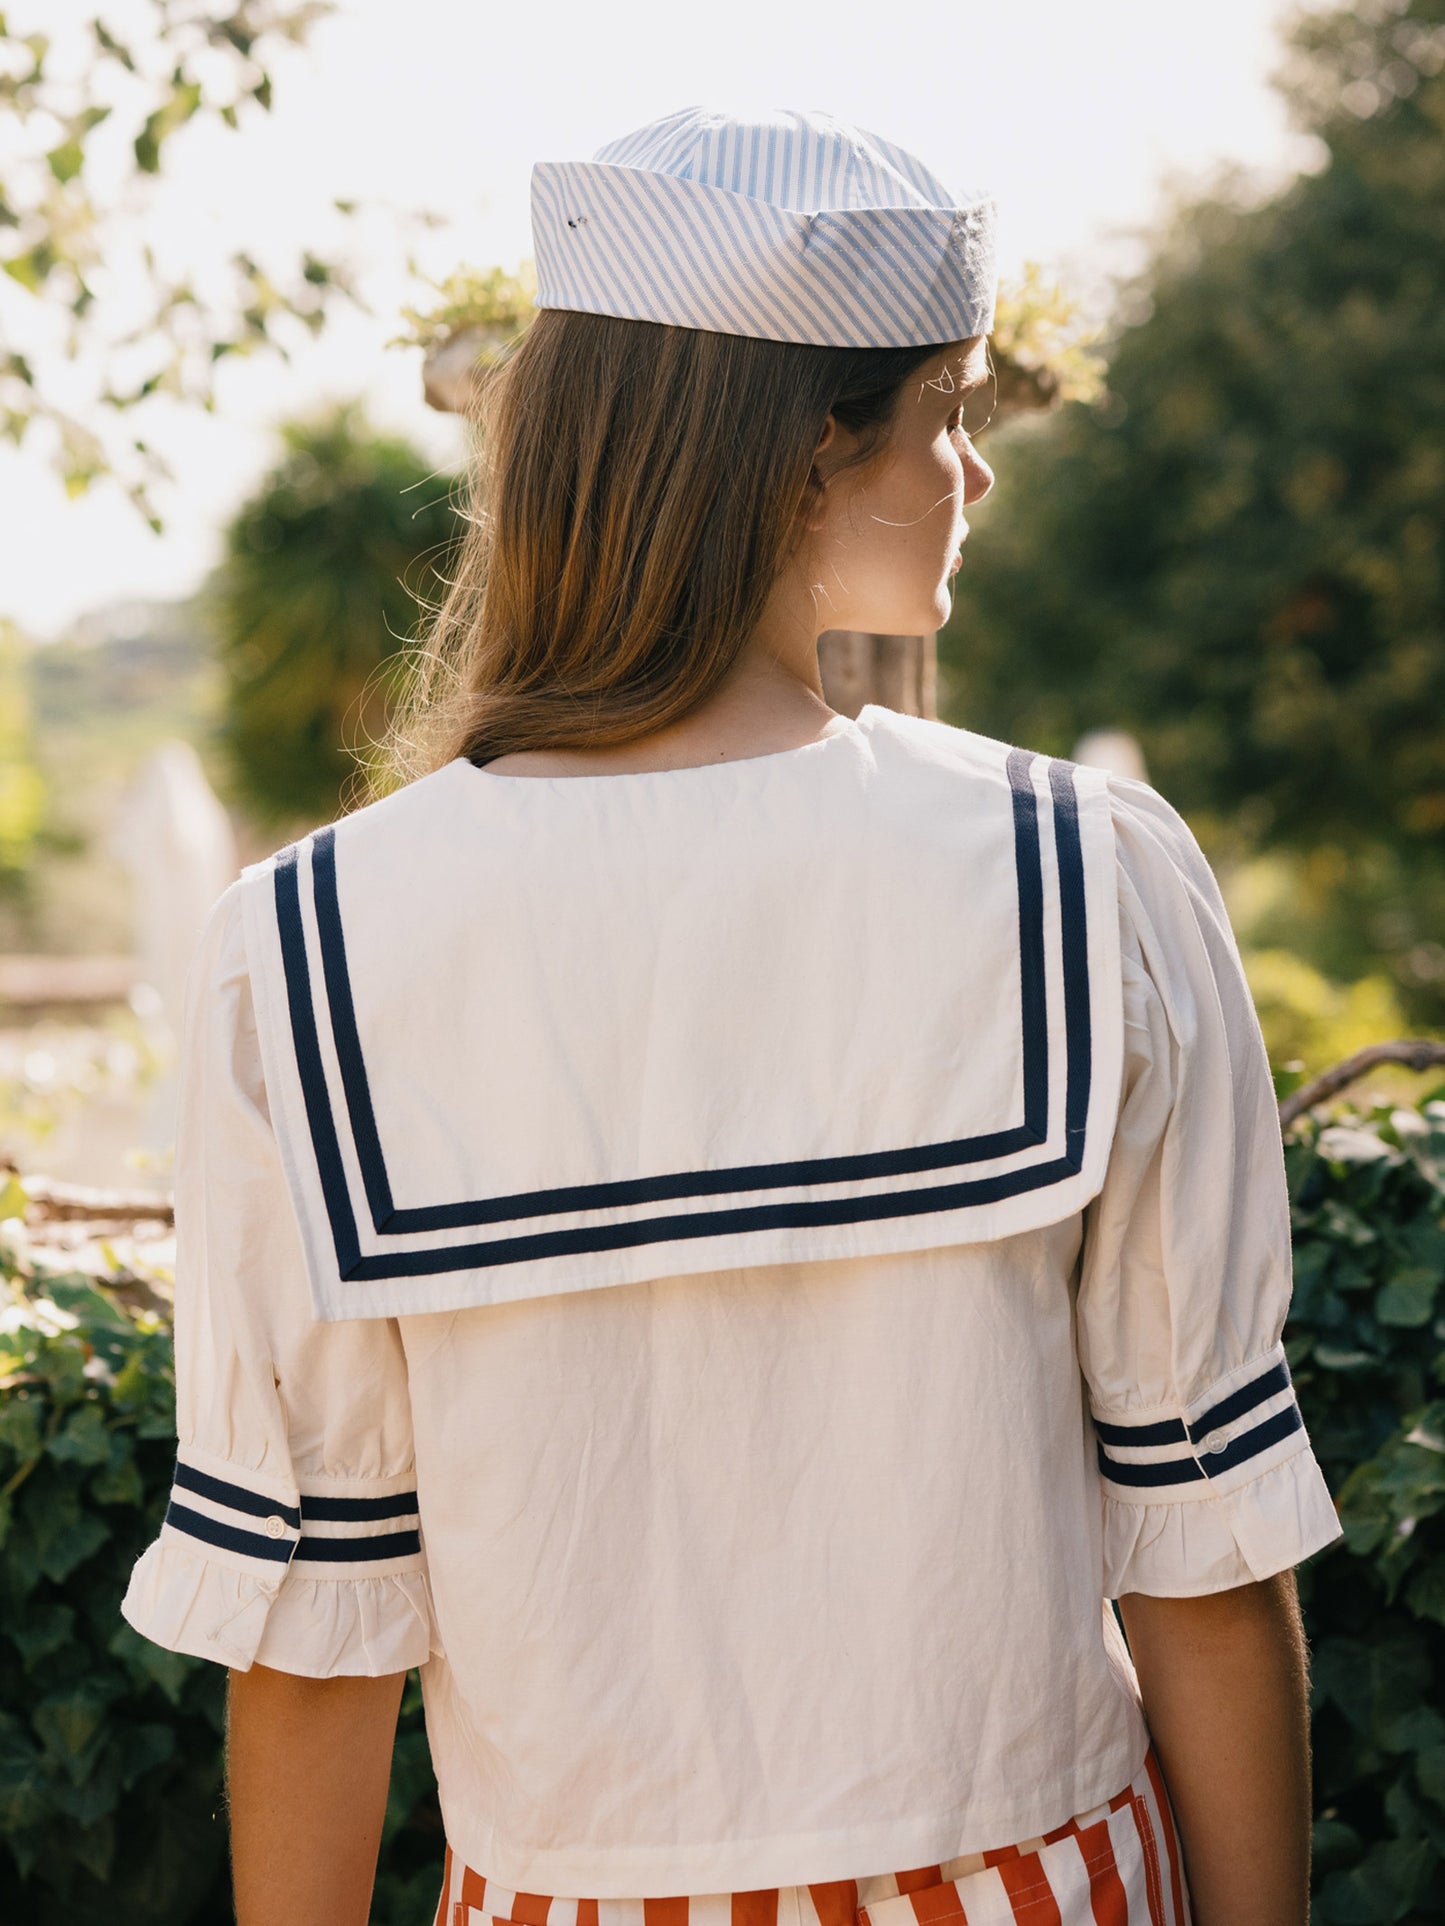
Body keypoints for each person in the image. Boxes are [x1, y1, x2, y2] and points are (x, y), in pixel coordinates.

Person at [120, 107, 1344, 1926]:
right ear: (797, 458)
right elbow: (1198, 1541)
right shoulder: (1085, 874)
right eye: (941, 412)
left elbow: (314, 1631)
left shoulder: (297, 948)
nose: (972, 471)